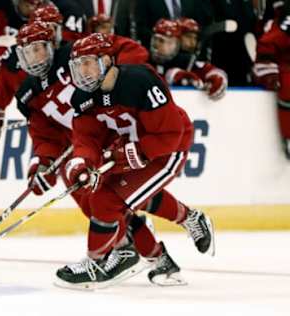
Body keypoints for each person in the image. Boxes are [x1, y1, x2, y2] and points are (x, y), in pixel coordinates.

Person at [14, 23, 191, 289]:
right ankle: (156, 259)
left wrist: (116, 83)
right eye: (27, 53)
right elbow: (47, 136)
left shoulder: (76, 53)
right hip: (84, 148)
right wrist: (43, 163)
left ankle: (107, 258)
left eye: (38, 49)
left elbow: (132, 54)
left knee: (113, 201)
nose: (35, 58)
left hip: (121, 139)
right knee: (104, 206)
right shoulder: (29, 94)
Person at [56, 33, 216, 288]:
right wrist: (84, 163)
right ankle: (182, 228)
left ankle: (97, 260)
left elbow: (170, 133)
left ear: (107, 61)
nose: (82, 72)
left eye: (88, 63)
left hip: (166, 149)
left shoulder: (141, 81)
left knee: (108, 198)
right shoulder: (82, 99)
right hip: (128, 148)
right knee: (126, 194)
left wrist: (131, 153)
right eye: (78, 66)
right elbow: (88, 140)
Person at [0, 3, 85, 145]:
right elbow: (4, 88)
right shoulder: (14, 58)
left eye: (52, 28)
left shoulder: (73, 54)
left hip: (86, 129)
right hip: (50, 133)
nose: (48, 35)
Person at [150, 18, 228, 101]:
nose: (192, 42)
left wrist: (217, 76)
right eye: (188, 37)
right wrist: (173, 75)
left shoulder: (186, 60)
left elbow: (208, 69)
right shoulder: (146, 58)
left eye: (169, 42)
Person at [253, 1, 290, 159]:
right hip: (283, 68)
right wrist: (266, 63)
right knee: (288, 81)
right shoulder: (285, 21)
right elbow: (269, 44)